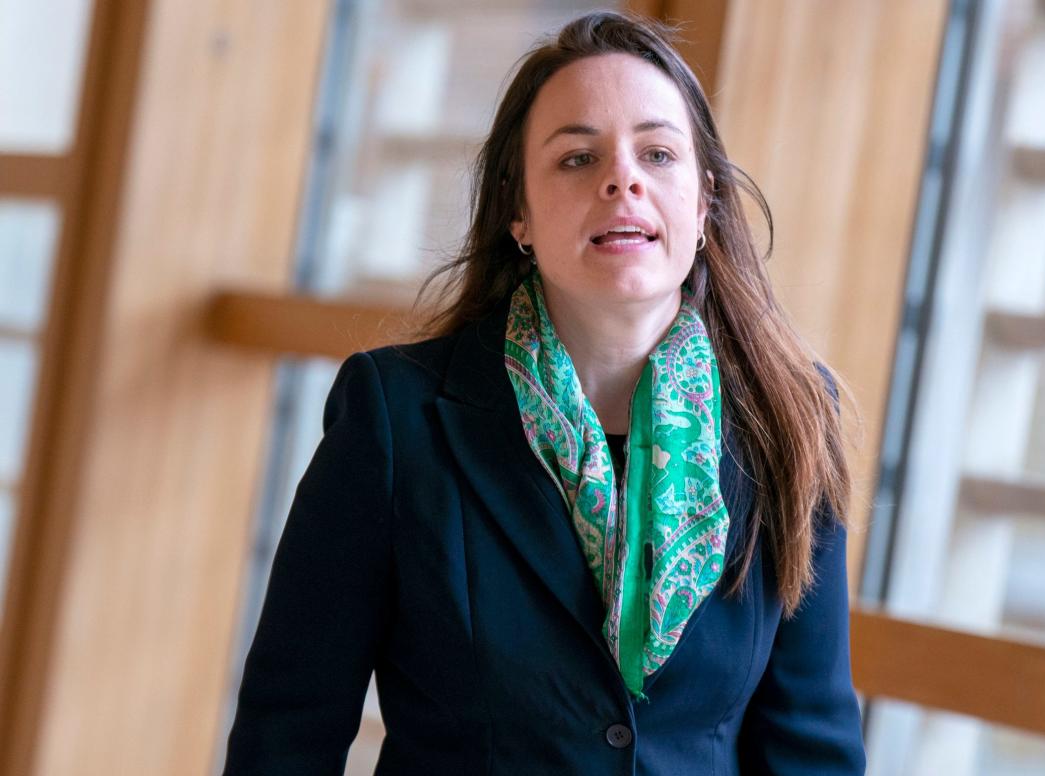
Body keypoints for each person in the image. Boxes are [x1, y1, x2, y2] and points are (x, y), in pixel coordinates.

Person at [222, 10, 865, 775]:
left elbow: (810, 749)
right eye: (575, 158)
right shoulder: (395, 416)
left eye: (657, 153)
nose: (621, 178)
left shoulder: (786, 419)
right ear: (518, 215)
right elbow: (286, 734)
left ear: (702, 205)